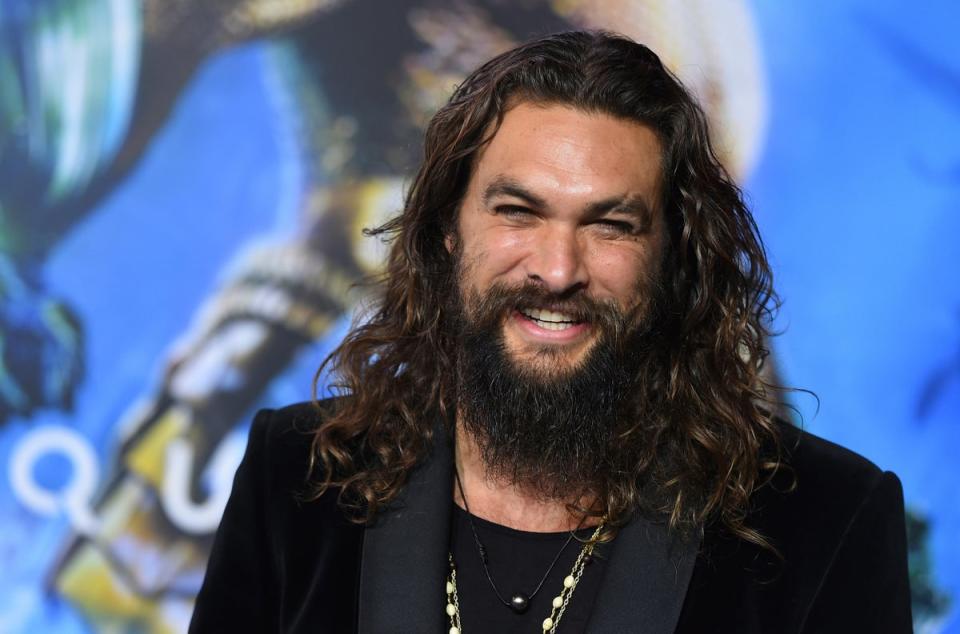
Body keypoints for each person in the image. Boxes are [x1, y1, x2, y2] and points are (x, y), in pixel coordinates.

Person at [189, 31, 912, 633]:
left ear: (675, 260)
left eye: (611, 225)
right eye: (518, 212)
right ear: (447, 231)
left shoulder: (825, 521)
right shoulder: (297, 479)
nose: (557, 269)